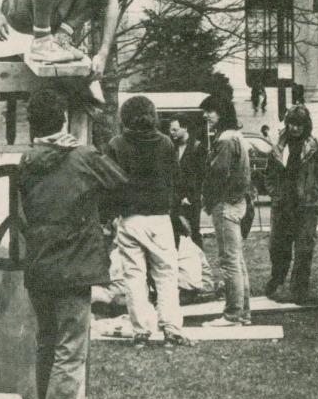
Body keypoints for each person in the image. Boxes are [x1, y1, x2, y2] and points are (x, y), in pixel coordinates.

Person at [18, 88, 127, 399]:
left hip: (39, 265)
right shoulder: (84, 157)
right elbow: (120, 183)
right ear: (64, 119)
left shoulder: (27, 160)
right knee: (70, 349)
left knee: (47, 344)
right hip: (75, 266)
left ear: (33, 125)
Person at [105, 96, 191, 347]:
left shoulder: (117, 144)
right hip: (160, 218)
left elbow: (109, 184)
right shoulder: (165, 143)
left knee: (134, 276)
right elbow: (176, 180)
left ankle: (141, 329)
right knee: (166, 274)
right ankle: (171, 328)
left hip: (130, 217)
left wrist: (110, 214)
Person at [264, 105, 318, 304]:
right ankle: (277, 282)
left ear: (306, 125)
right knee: (279, 248)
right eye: (291, 124)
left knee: (304, 250)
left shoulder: (315, 147)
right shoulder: (278, 147)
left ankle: (299, 290)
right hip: (283, 207)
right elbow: (269, 176)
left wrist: (313, 194)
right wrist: (275, 195)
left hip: (307, 209)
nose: (295, 128)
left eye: (299, 124)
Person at [200, 95, 252, 327]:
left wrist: (209, 201)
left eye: (210, 111)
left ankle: (232, 315)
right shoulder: (237, 136)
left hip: (226, 204)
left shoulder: (225, 140)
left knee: (229, 261)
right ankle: (244, 313)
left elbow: (216, 174)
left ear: (222, 112)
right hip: (238, 202)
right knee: (237, 261)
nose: (206, 115)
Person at [168, 115, 206, 249]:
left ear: (185, 128)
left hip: (191, 199)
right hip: (176, 197)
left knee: (193, 231)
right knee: (175, 231)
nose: (172, 133)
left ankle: (199, 263)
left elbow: (200, 175)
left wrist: (191, 196)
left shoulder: (197, 147)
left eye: (175, 130)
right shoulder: (172, 148)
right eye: (171, 130)